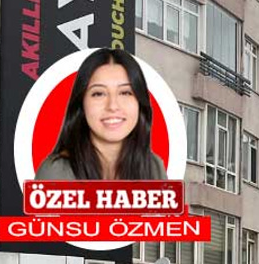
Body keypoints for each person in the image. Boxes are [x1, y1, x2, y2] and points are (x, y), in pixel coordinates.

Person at [37, 48, 167, 181]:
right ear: (81, 103)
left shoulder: (154, 168)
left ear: (140, 102)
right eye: (99, 93)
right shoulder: (56, 172)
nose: (112, 106)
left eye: (125, 92)